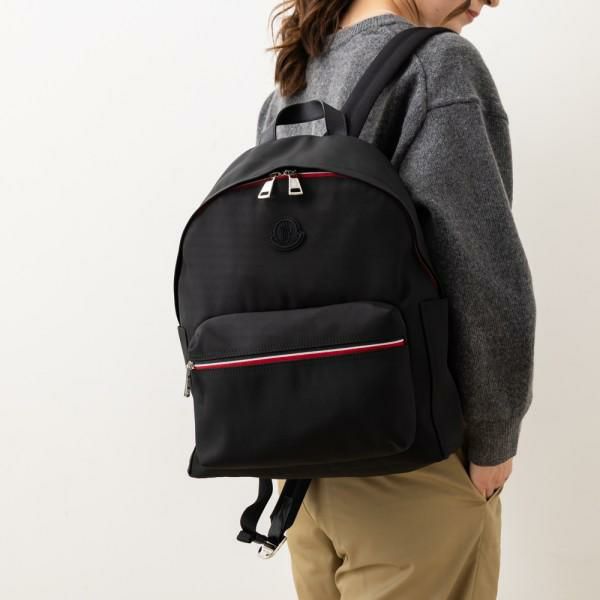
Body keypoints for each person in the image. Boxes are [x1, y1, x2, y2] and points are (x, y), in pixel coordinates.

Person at [255, 1, 537, 598]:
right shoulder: (437, 67)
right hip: (412, 468)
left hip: (299, 469)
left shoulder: (294, 82)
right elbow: (482, 270)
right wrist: (495, 435)